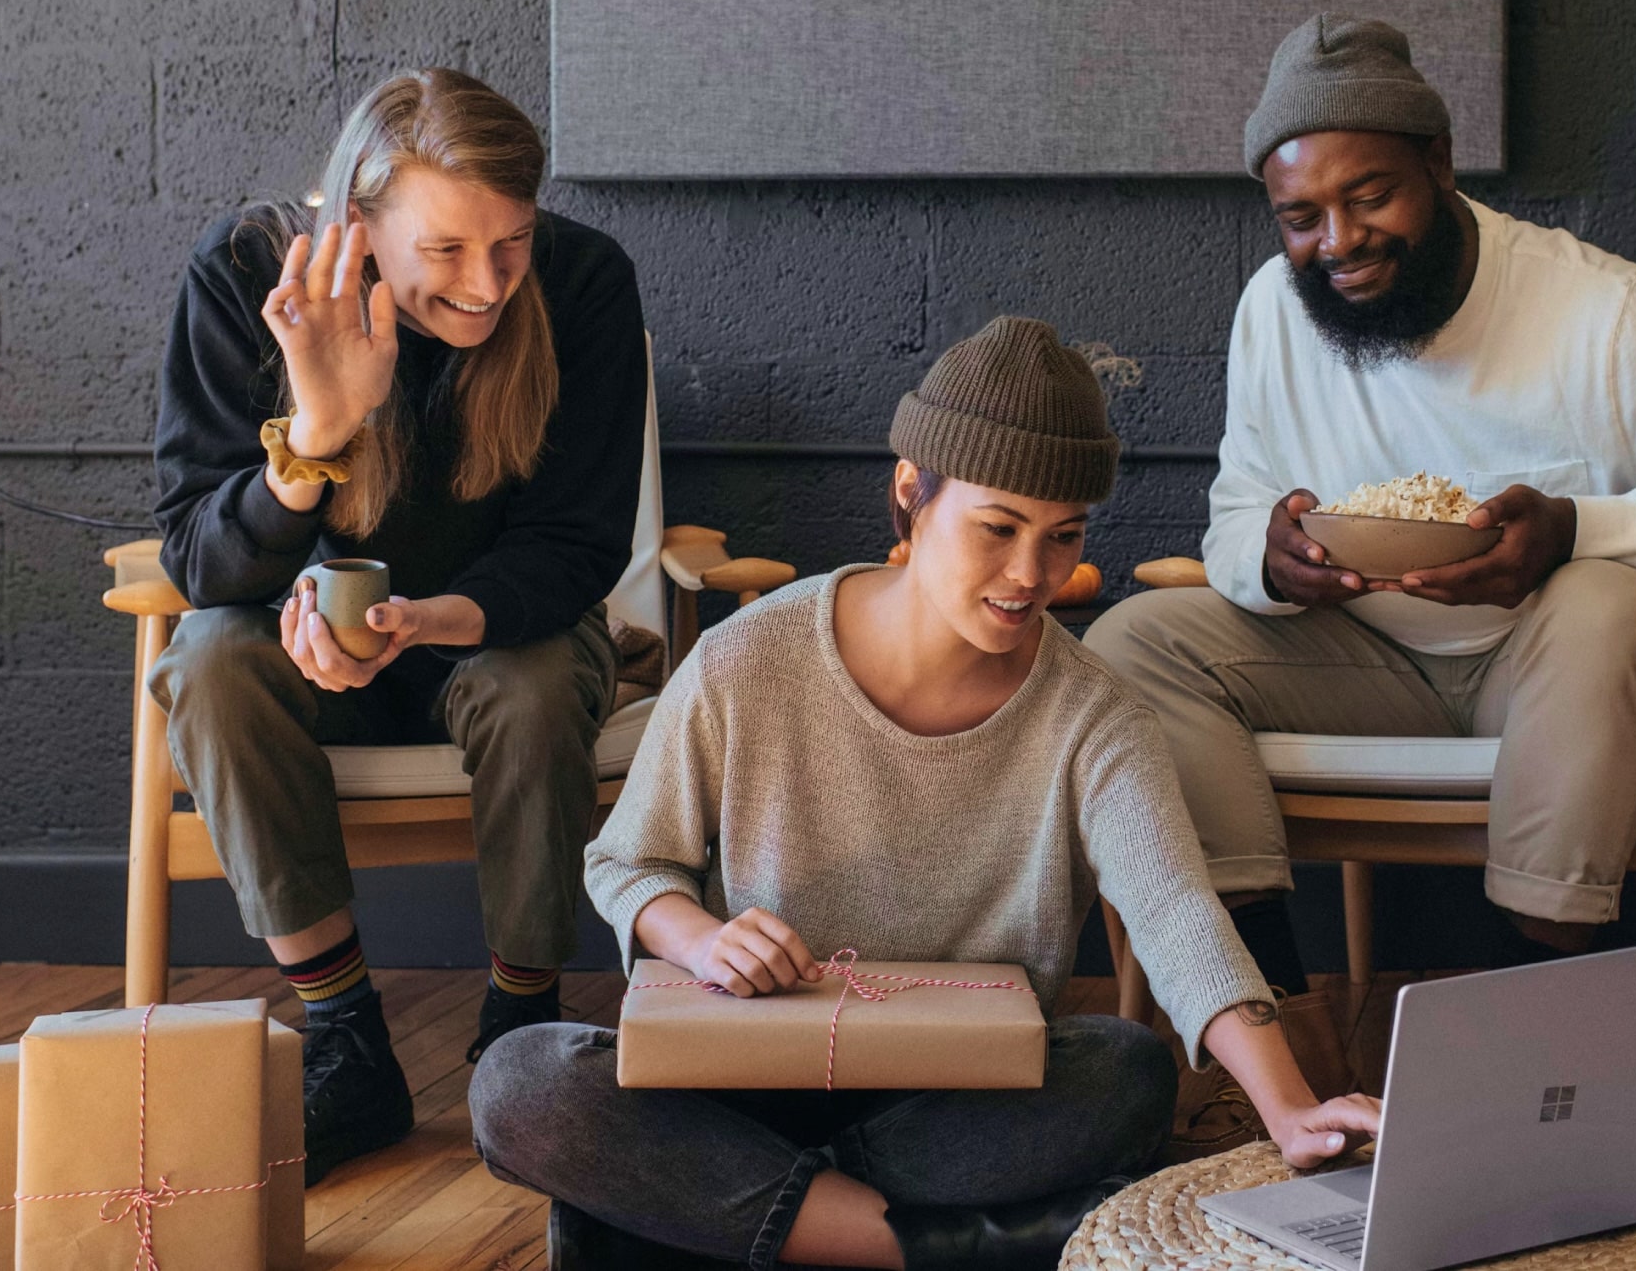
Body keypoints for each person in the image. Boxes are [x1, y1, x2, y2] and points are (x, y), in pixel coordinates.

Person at [470, 317, 1379, 1271]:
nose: (1032, 576)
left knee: (1126, 1070)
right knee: (519, 1079)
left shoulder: (1093, 714)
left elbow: (1174, 912)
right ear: (911, 493)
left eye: (1063, 535)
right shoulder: (748, 657)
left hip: (952, 1101)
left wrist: (1290, 1107)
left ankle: (711, 1224)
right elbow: (629, 861)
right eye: (998, 529)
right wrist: (702, 938)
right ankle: (909, 1246)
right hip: (740, 1074)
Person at [1088, 13, 1636, 980]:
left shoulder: (1614, 314)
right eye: (1301, 219)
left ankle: (1530, 1003)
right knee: (1133, 641)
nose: (1340, 242)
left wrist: (1580, 529)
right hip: (1375, 664)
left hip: (1593, 669)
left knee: (1598, 599)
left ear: (1441, 165)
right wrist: (1268, 556)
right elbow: (1238, 509)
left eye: (1370, 198)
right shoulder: (1273, 312)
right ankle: (1264, 1025)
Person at [149, 68, 648, 1184]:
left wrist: (437, 617)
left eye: (510, 242)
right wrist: (320, 426)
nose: (486, 286)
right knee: (212, 666)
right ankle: (345, 1037)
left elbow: (574, 545)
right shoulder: (242, 278)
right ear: (360, 222)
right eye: (447, 252)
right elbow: (197, 557)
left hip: (491, 630)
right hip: (303, 645)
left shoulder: (582, 285)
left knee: (530, 683)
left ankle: (519, 1023)